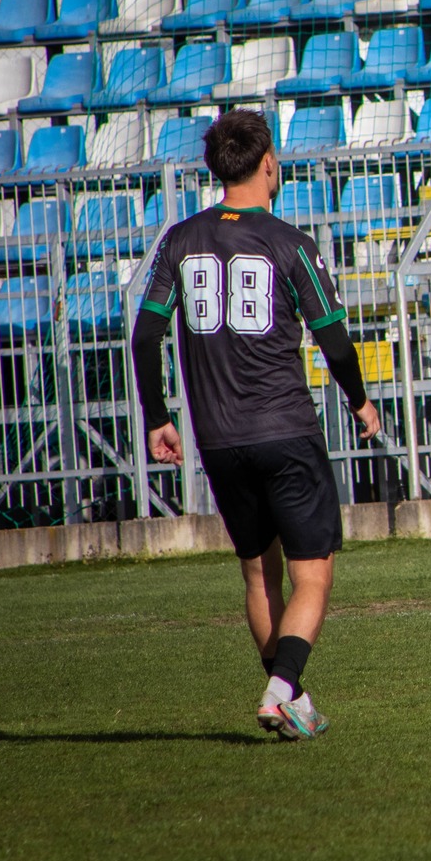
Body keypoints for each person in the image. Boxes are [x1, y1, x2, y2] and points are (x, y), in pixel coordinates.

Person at [131, 109, 380, 738]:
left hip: (219, 439)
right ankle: (279, 692)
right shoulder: (290, 243)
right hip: (286, 430)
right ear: (268, 161)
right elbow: (335, 341)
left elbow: (145, 336)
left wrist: (159, 418)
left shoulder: (179, 241)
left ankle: (292, 696)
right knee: (313, 570)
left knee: (257, 573)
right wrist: (358, 399)